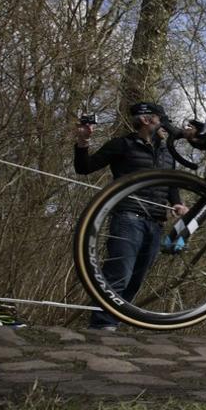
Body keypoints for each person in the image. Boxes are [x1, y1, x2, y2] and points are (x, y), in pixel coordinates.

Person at [74, 102, 188, 330]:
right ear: (147, 120)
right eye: (161, 119)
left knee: (136, 280)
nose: (165, 124)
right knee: (119, 274)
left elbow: (169, 180)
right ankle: (101, 325)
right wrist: (83, 141)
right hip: (128, 218)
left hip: (156, 223)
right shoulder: (122, 144)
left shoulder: (167, 151)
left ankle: (114, 323)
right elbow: (84, 167)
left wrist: (177, 202)